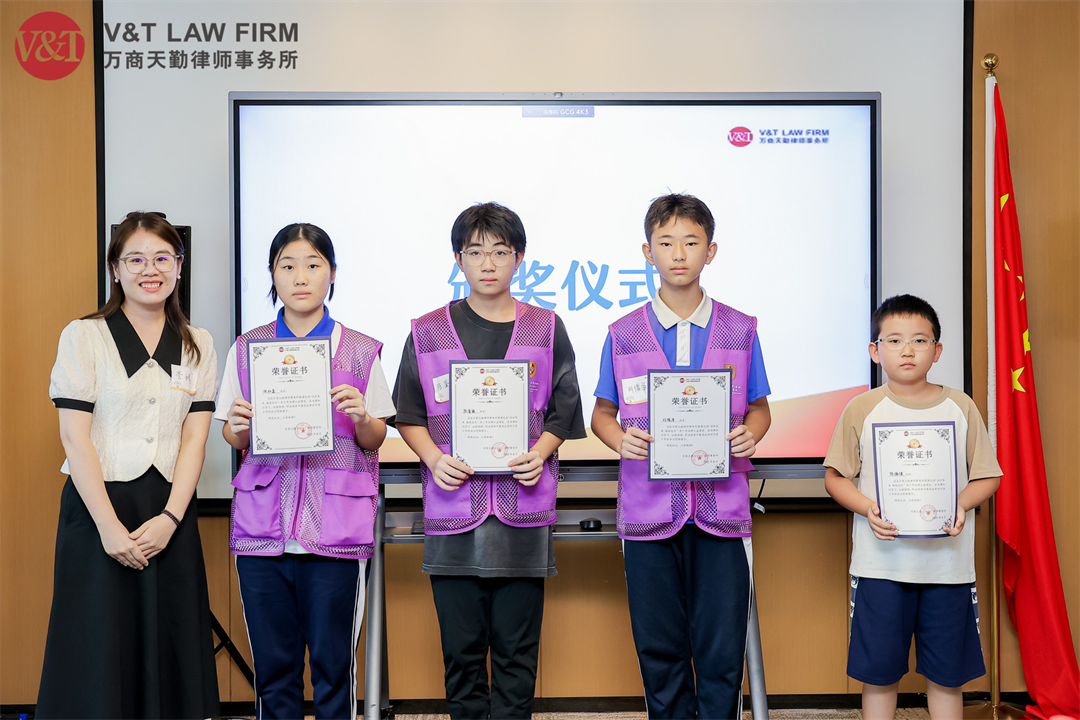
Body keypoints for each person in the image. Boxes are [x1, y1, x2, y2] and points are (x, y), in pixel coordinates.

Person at [391, 202, 585, 720]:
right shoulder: (428, 331)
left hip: (523, 512)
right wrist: (433, 458)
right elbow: (408, 412)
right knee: (461, 655)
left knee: (517, 655)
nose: (488, 263)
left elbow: (565, 407)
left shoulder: (546, 327)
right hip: (453, 511)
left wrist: (541, 452)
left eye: (500, 251)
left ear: (518, 258)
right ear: (458, 260)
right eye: (475, 252)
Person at [591, 193, 772, 720]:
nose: (678, 254)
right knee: (659, 647)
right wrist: (617, 439)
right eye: (666, 242)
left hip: (722, 511)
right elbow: (602, 414)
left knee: (721, 651)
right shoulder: (622, 333)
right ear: (647, 252)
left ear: (710, 251)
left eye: (691, 242)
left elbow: (759, 410)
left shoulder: (740, 328)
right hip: (648, 512)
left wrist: (751, 435)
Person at [38, 211, 220, 720]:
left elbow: (195, 439)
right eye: (135, 259)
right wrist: (109, 527)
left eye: (162, 258)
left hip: (168, 512)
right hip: (99, 508)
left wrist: (171, 519)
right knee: (98, 646)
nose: (150, 269)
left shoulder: (198, 342)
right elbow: (74, 437)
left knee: (169, 642)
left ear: (179, 266)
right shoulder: (85, 336)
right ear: (115, 269)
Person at [217, 223, 395, 720]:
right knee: (274, 672)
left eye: (313, 265)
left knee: (334, 670)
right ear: (272, 275)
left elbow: (375, 438)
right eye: (288, 265)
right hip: (262, 532)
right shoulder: (248, 348)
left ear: (332, 274)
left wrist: (362, 416)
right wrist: (236, 426)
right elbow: (234, 437)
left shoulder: (359, 349)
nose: (300, 277)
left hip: (335, 530)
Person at [824, 294, 1001, 720]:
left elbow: (988, 476)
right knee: (879, 674)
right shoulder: (862, 408)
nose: (907, 350)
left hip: (948, 569)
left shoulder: (960, 406)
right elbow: (835, 477)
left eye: (920, 340)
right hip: (881, 568)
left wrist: (960, 504)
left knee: (947, 676)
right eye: (895, 340)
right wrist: (867, 508)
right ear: (875, 350)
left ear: (937, 351)